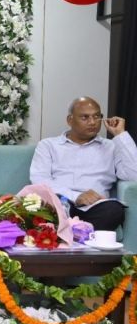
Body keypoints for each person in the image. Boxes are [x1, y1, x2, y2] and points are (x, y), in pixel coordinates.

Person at [30, 96, 137, 231]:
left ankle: (73, 234)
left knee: (114, 210)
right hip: (60, 203)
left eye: (96, 116)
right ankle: (75, 233)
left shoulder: (111, 146)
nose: (92, 122)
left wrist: (120, 134)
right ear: (70, 120)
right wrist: (75, 196)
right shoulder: (48, 145)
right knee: (34, 205)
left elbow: (133, 175)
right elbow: (39, 179)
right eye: (85, 117)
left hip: (95, 207)